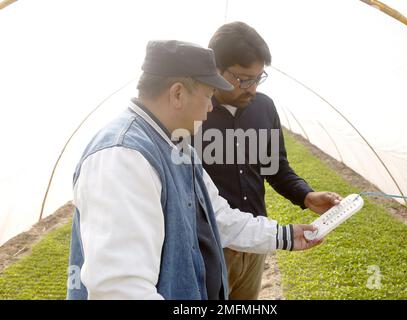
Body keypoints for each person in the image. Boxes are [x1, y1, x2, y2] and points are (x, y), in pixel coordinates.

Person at [66, 40, 322, 300]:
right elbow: (122, 291)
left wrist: (288, 236)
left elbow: (219, 217)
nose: (211, 107)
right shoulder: (122, 157)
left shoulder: (177, 148)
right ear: (178, 94)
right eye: (209, 96)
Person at [197, 22, 343, 300]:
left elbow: (275, 168)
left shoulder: (264, 107)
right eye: (243, 79)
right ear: (215, 68)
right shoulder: (190, 115)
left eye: (258, 78)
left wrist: (307, 195)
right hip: (210, 249)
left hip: (255, 244)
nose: (251, 88)